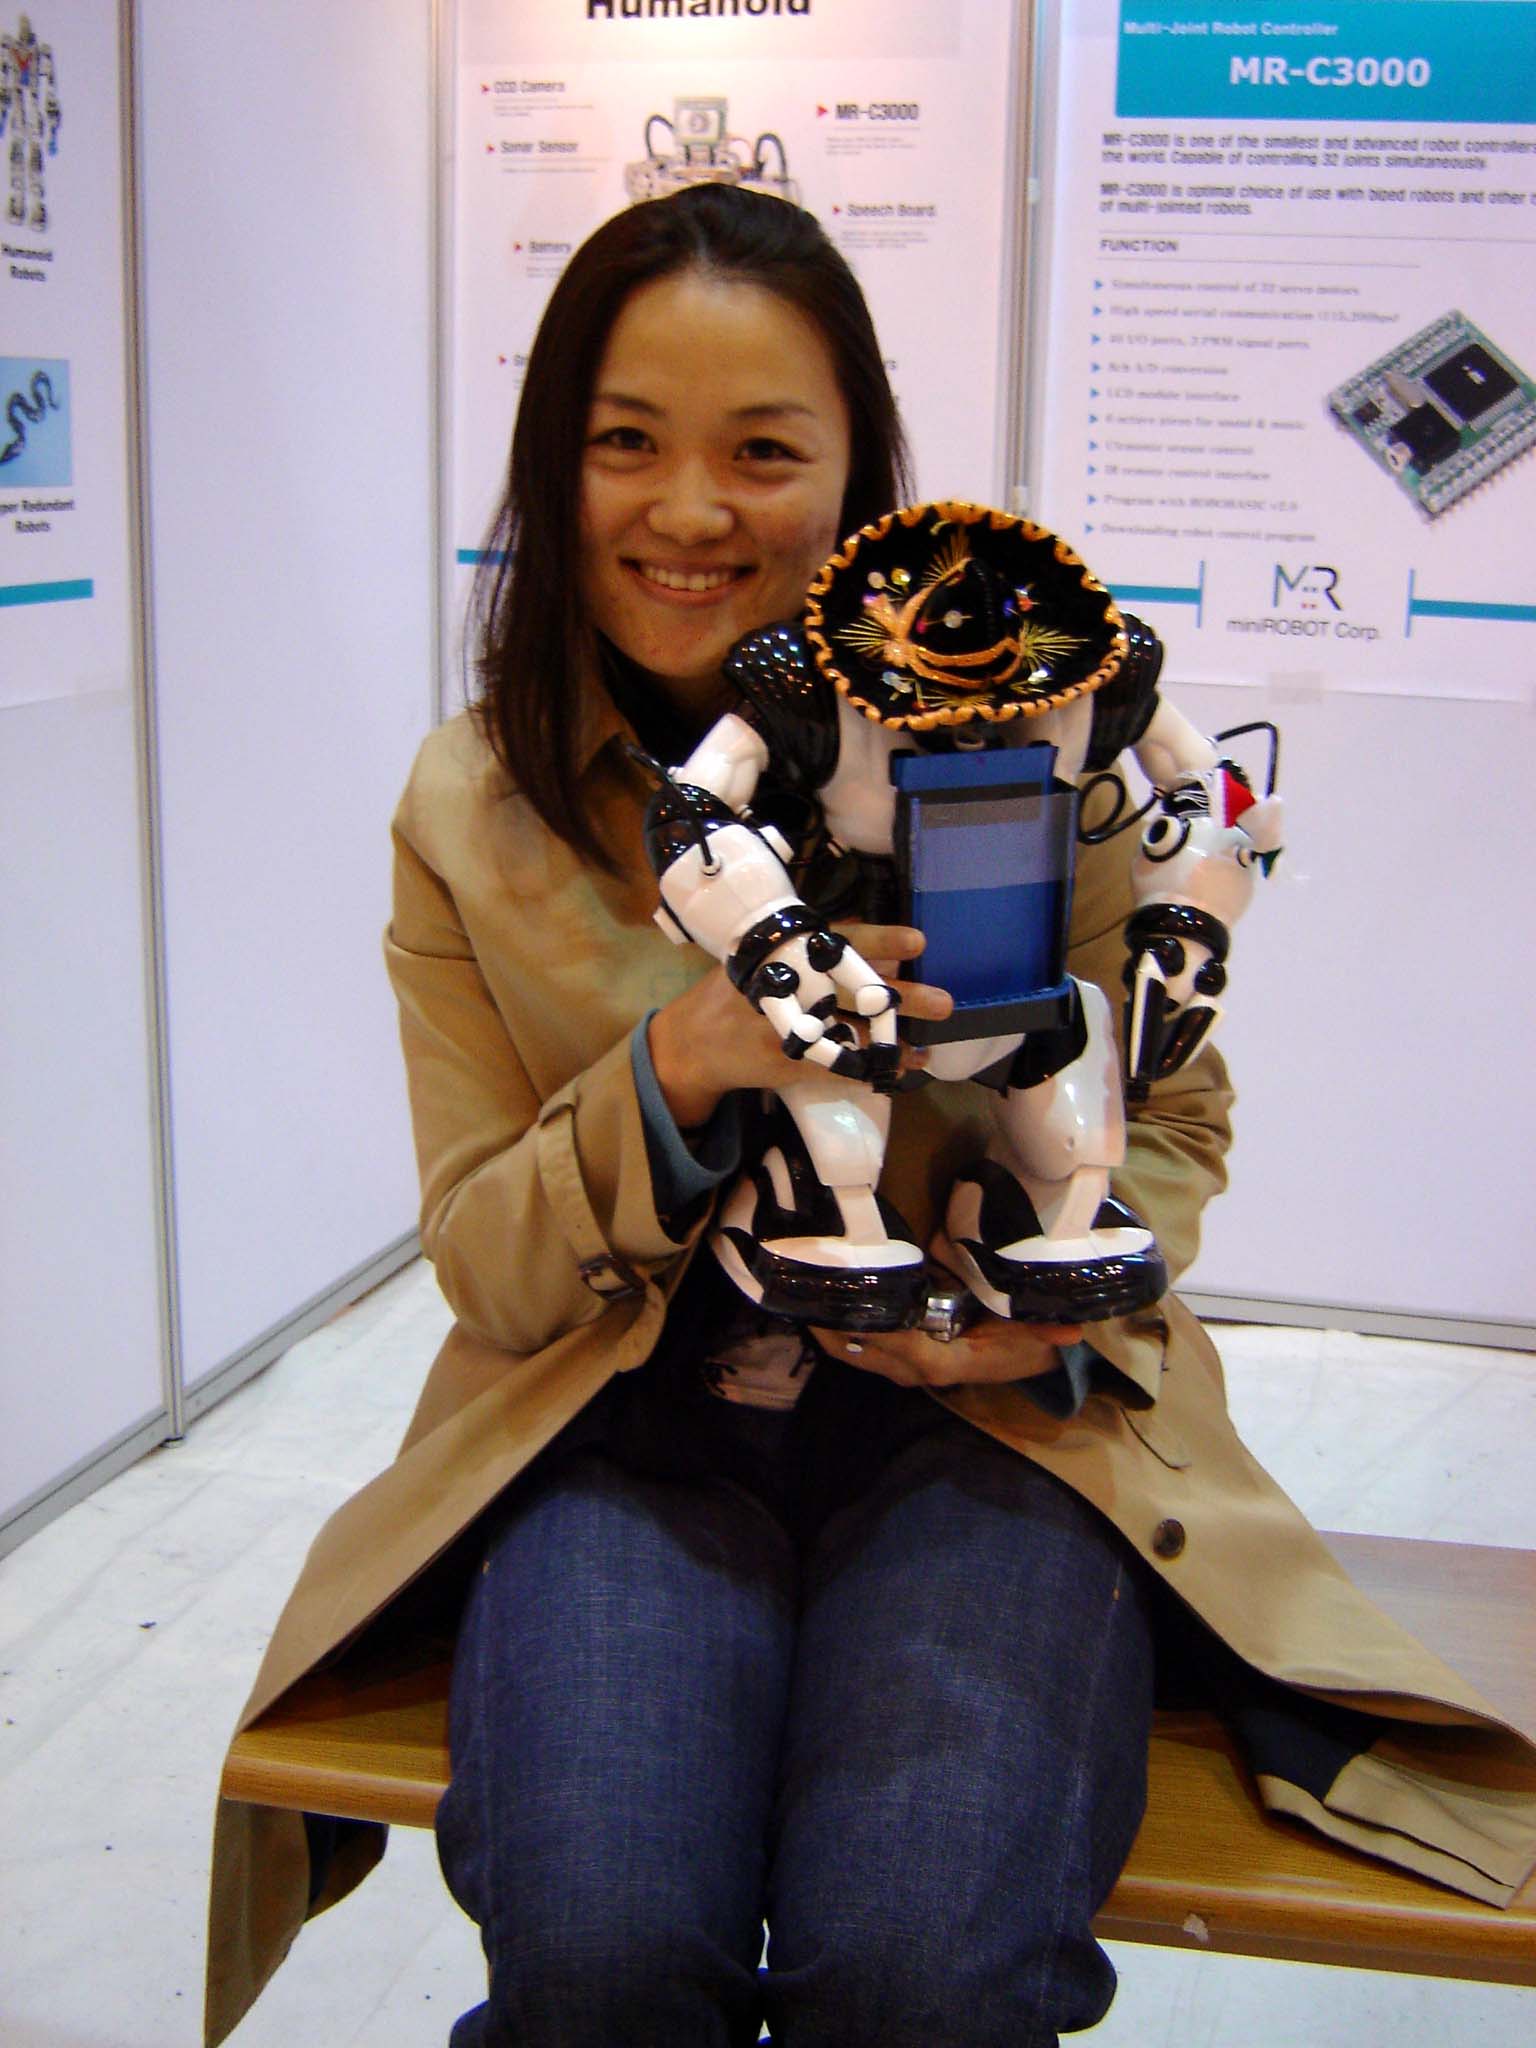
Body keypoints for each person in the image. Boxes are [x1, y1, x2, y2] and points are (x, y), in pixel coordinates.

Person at [203, 184, 1536, 2048]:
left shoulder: (1025, 727)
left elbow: (1172, 1119)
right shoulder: (471, 808)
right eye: (624, 441)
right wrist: (685, 1065)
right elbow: (489, 1264)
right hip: (622, 1429)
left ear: (855, 477)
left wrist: (1043, 1310)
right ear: (552, 466)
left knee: (917, 1966)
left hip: (998, 1437)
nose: (689, 511)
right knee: (601, 1953)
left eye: (763, 451)